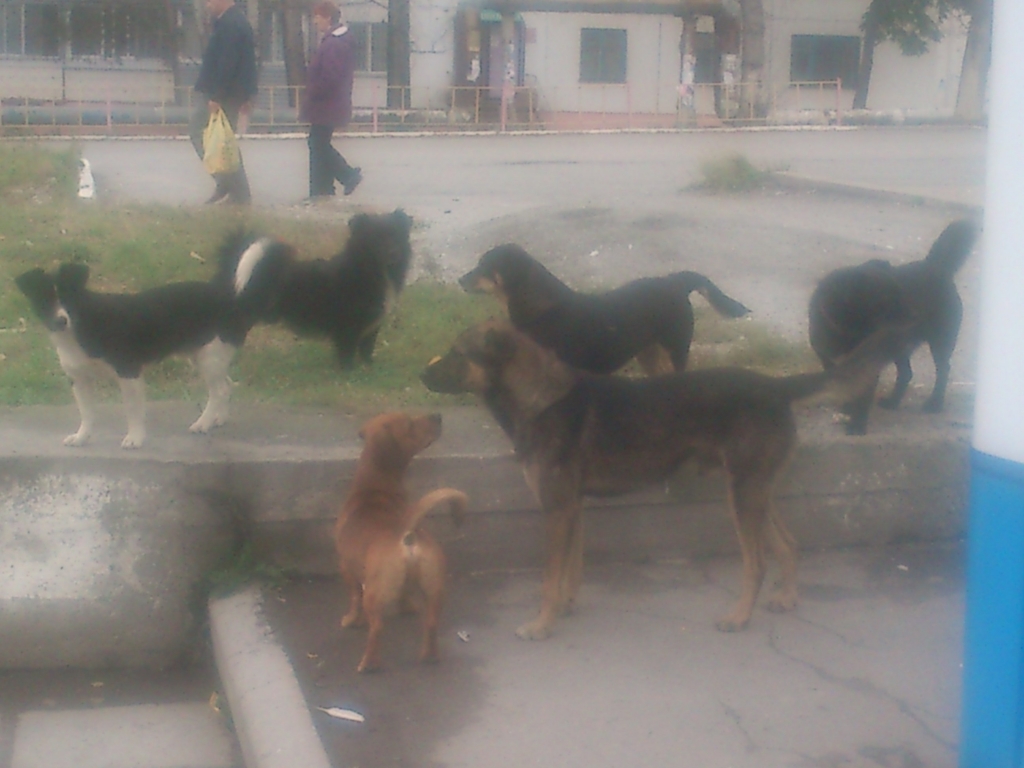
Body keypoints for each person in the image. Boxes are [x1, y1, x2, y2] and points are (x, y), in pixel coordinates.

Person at [189, 0, 258, 205]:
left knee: (203, 133)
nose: (207, 4)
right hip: (229, 93)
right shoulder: (231, 21)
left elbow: (229, 63)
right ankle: (234, 189)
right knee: (223, 141)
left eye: (210, 0)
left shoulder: (231, 24)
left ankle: (231, 186)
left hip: (225, 95)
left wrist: (216, 96)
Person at [302, 1, 361, 200]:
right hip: (330, 104)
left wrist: (314, 93)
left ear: (327, 18)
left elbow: (330, 78)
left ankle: (347, 175)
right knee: (318, 143)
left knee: (317, 144)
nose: (315, 21)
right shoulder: (335, 41)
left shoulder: (333, 44)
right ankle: (322, 191)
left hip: (326, 104)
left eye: (317, 17)